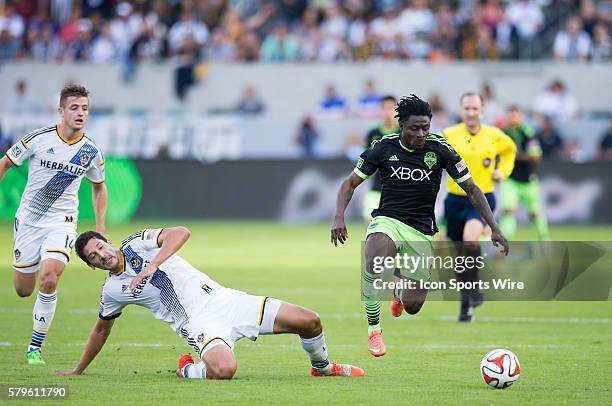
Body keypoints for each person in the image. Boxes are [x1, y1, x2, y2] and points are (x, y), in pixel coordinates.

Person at [57, 227, 364, 379]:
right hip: (201, 324)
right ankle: (188, 369)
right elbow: (100, 330)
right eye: (93, 257)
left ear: (108, 241)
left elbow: (181, 233)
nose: (102, 254)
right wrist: (77, 370)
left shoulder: (138, 243)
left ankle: (321, 368)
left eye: (100, 246)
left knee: (310, 320)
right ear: (92, 265)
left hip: (226, 299)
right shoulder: (112, 290)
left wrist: (152, 265)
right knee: (224, 370)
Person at [331, 95, 508, 357]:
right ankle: (374, 330)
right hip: (388, 220)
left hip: (421, 231)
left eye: (426, 127)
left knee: (413, 306)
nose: (422, 133)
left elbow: (471, 189)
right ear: (401, 125)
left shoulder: (440, 149)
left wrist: (494, 227)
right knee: (374, 262)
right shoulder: (383, 147)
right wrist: (339, 217)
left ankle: (400, 291)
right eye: (415, 128)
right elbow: (349, 184)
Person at [0, 84, 107, 365]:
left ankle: (34, 347)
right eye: (74, 108)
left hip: (62, 222)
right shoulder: (38, 138)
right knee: (24, 290)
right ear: (61, 111)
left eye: (84, 108)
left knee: (50, 278)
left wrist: (100, 229)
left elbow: (99, 188)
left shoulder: (90, 151)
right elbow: (4, 164)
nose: (80, 113)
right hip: (29, 221)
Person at [442, 92, 516, 322]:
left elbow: (510, 150)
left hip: (482, 199)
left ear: (482, 111)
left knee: (470, 239)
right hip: (455, 200)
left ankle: (472, 288)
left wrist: (501, 172)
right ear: (461, 110)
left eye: (475, 108)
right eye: (467, 108)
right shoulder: (449, 134)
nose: (471, 113)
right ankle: (467, 301)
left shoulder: (494, 135)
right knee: (459, 255)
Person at [499, 106, 549, 241]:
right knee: (508, 211)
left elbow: (536, 156)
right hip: (510, 179)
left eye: (515, 115)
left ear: (521, 117)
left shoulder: (528, 133)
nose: (512, 118)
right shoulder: (503, 133)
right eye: (510, 115)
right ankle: (505, 242)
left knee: (535, 213)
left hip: (528, 180)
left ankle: (544, 240)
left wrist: (513, 155)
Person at [362, 95, 399, 223]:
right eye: (385, 108)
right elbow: (367, 159)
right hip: (377, 186)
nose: (388, 112)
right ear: (380, 111)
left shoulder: (403, 132)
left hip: (399, 188)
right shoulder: (373, 133)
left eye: (391, 108)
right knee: (369, 222)